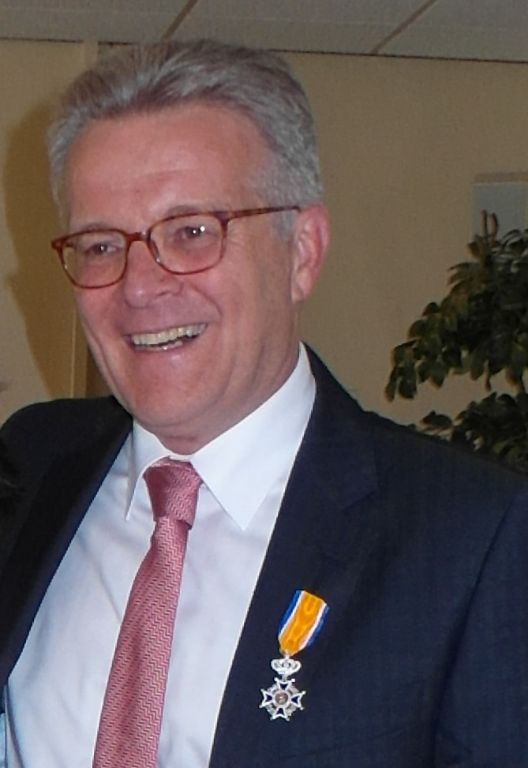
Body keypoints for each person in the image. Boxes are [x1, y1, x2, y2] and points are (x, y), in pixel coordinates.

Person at [1, 39, 528, 768]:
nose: (140, 287)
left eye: (192, 233)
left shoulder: (471, 537)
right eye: (99, 246)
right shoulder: (33, 462)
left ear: (301, 252)